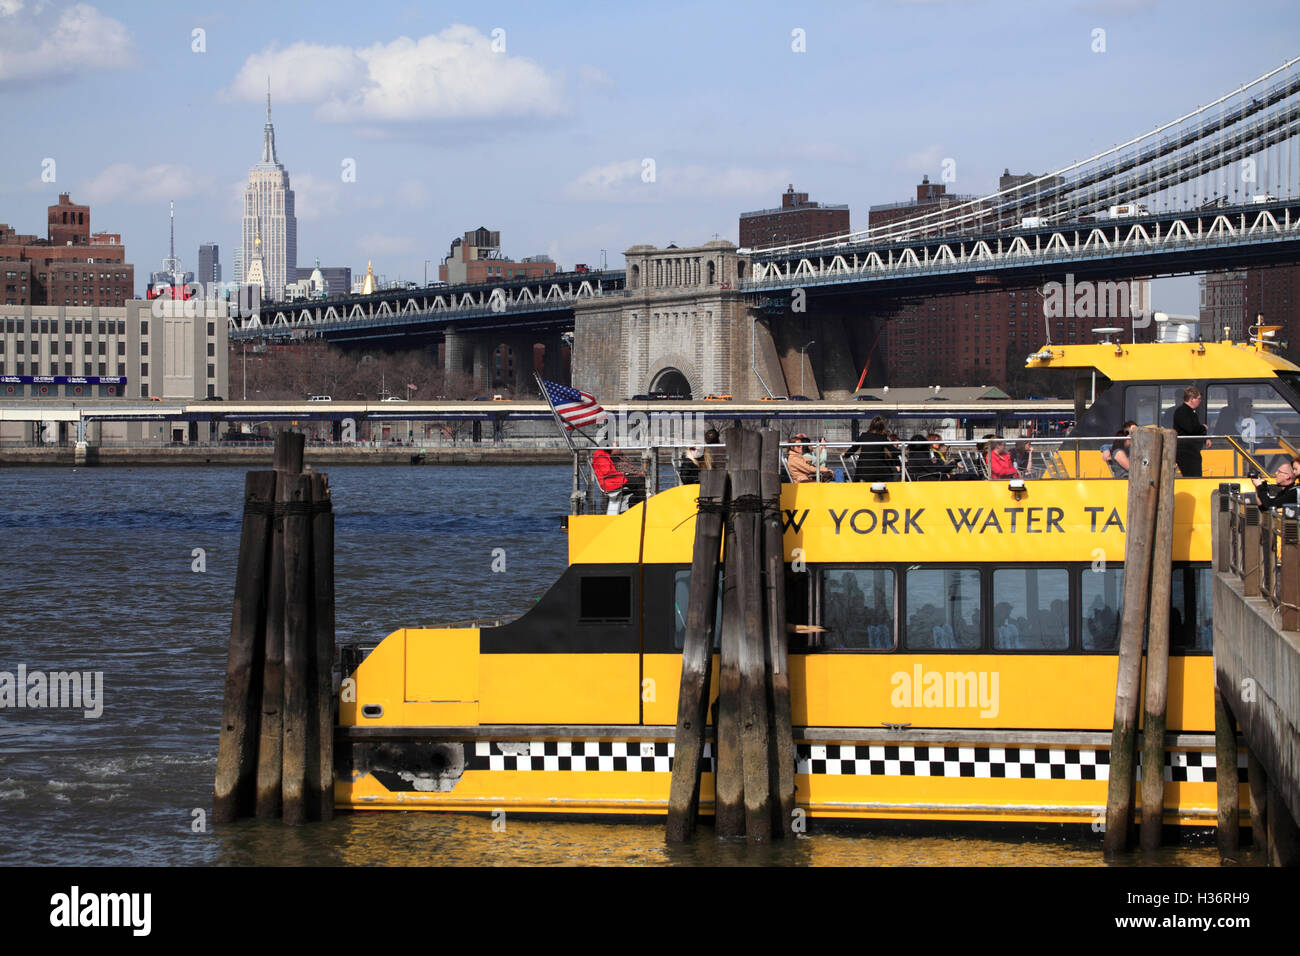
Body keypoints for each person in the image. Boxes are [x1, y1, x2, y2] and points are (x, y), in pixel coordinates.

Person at [1173, 386, 1209, 477]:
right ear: (1192, 399)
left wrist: (1205, 438)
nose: (1200, 401)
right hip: (1186, 452)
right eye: (1199, 399)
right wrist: (1203, 428)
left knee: (1196, 475)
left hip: (1192, 451)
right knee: (1192, 475)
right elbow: (1191, 429)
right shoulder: (1182, 412)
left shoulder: (1191, 412)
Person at [851, 417, 898, 482]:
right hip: (879, 471)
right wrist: (905, 451)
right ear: (882, 427)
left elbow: (854, 448)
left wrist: (845, 455)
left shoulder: (864, 436)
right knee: (890, 476)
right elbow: (893, 450)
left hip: (863, 471)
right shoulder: (882, 438)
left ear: (871, 426)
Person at [592, 446, 629, 514]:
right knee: (639, 482)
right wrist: (621, 473)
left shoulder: (604, 454)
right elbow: (606, 471)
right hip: (611, 483)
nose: (619, 448)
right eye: (617, 447)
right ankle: (640, 508)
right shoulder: (601, 456)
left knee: (637, 481)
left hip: (613, 481)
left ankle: (635, 508)